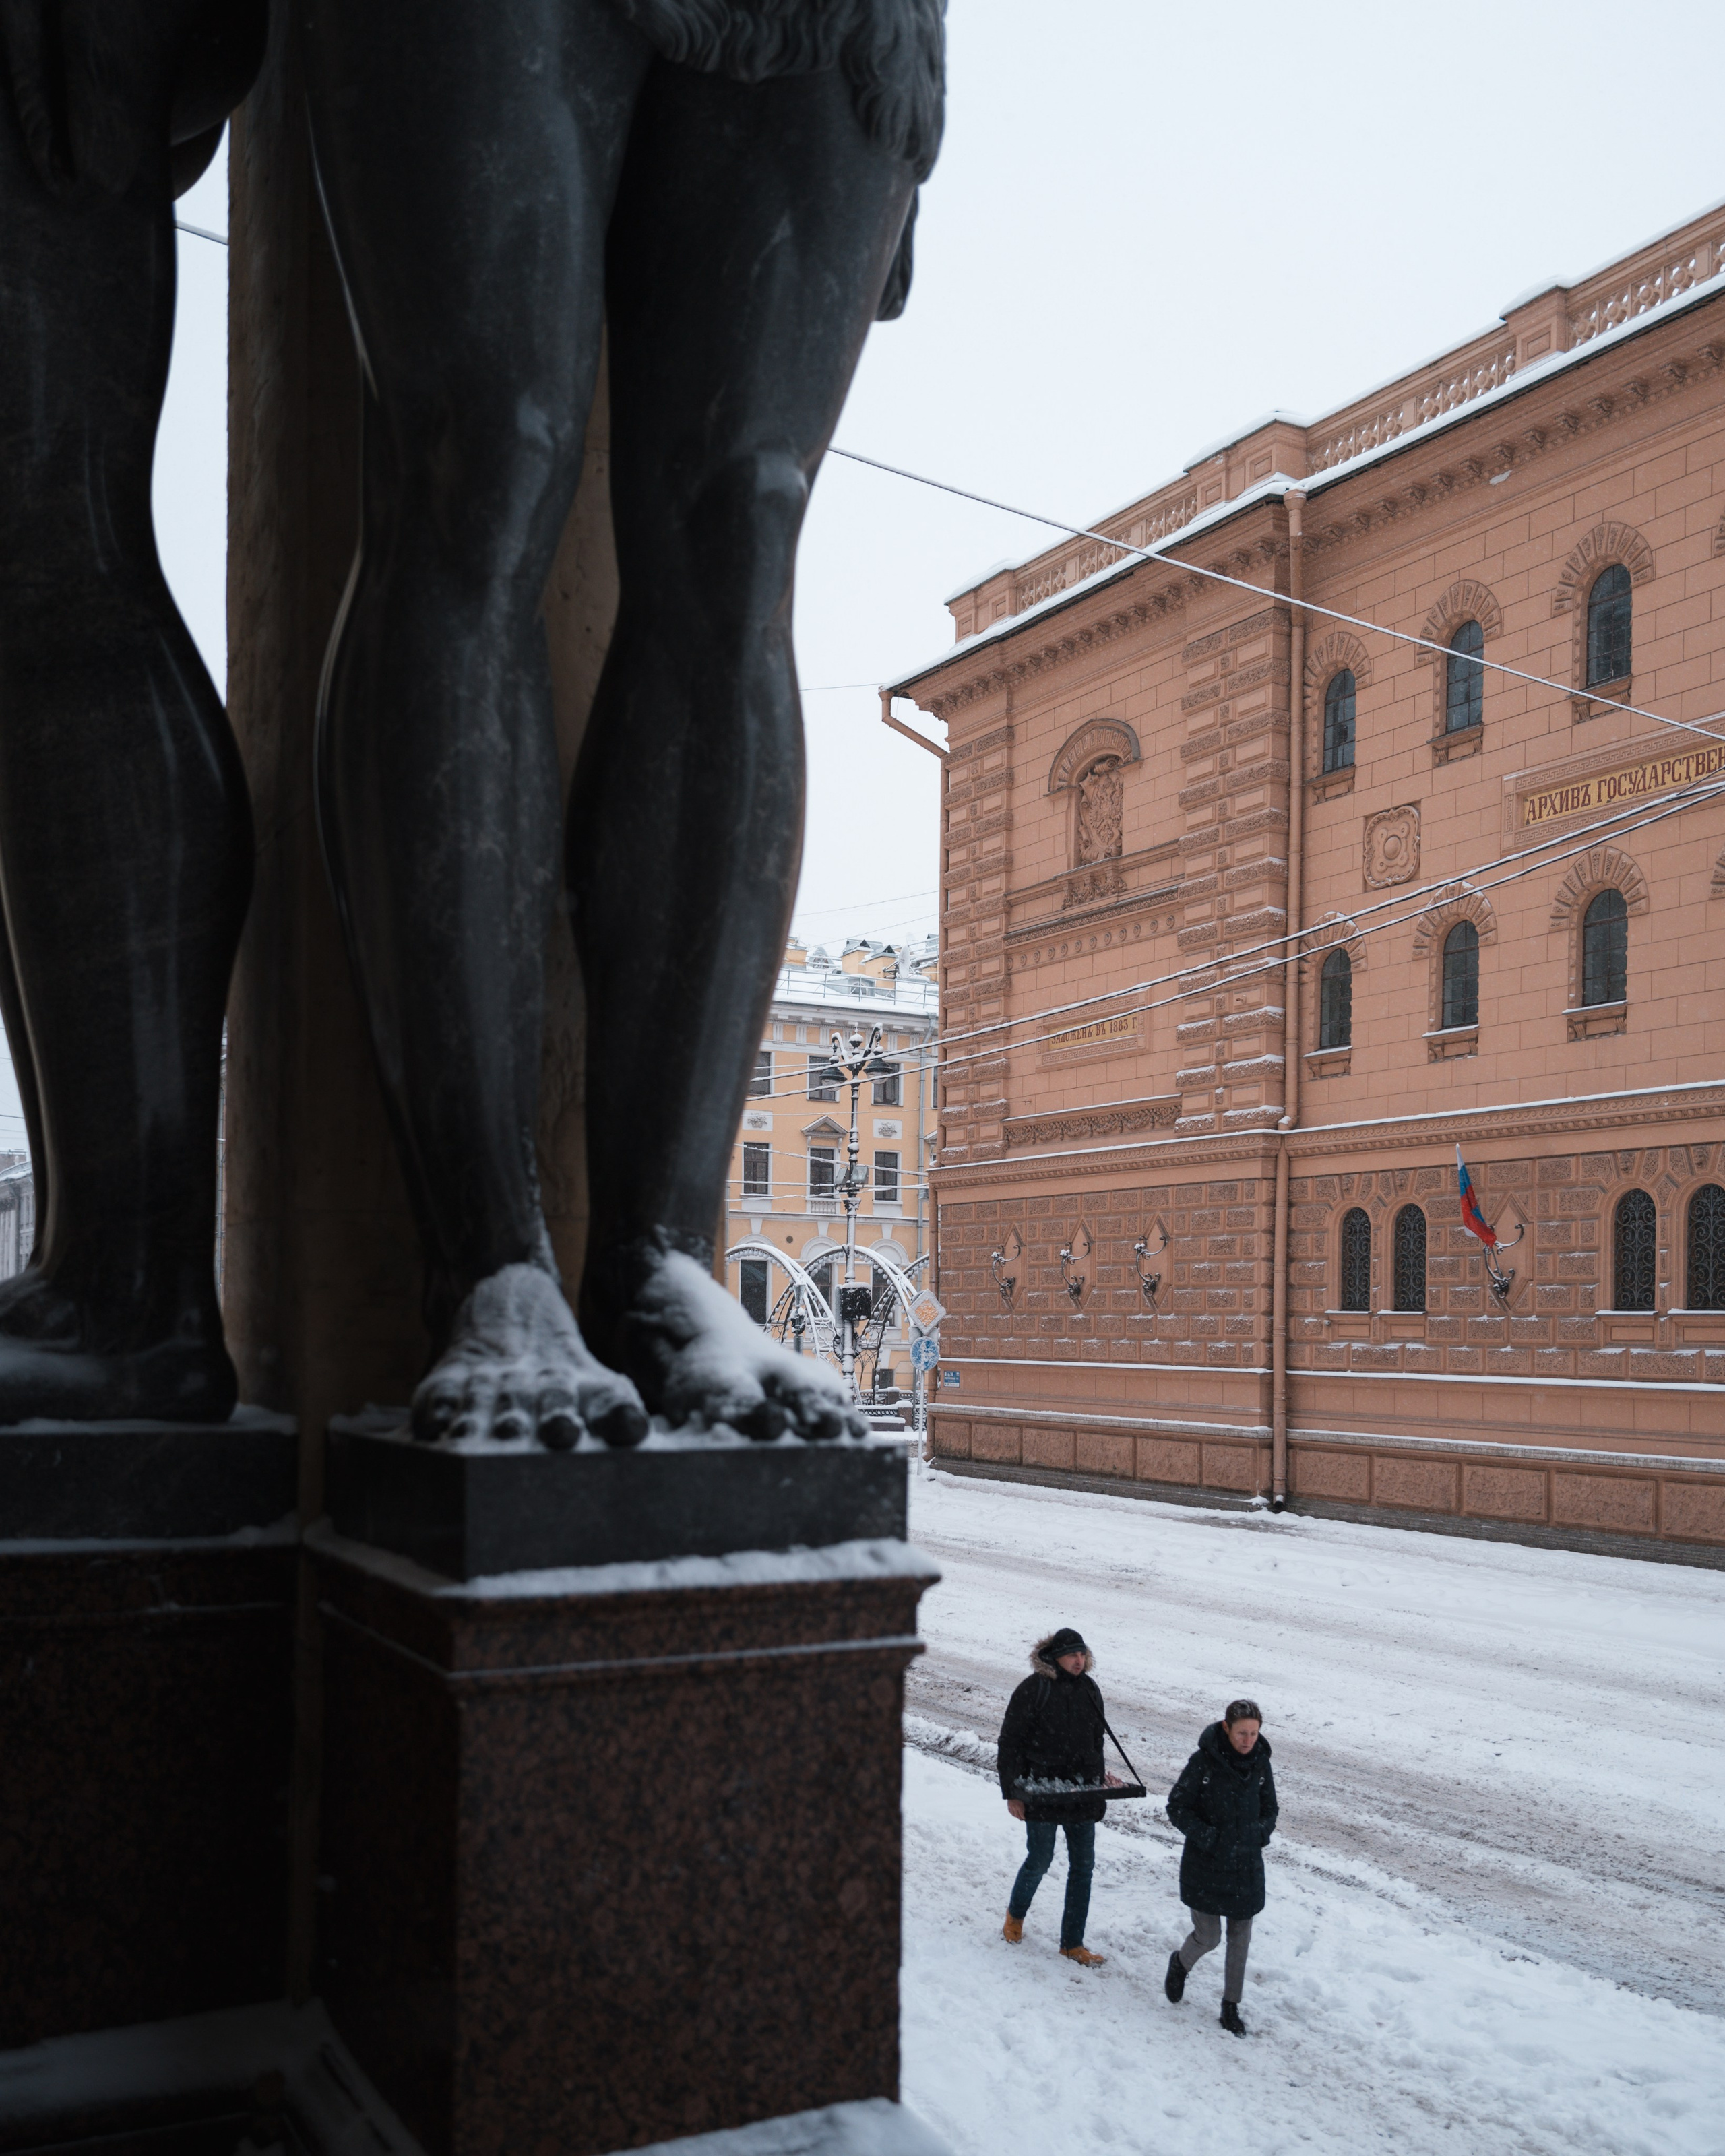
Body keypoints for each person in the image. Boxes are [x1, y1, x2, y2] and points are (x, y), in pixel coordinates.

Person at [995, 1626, 1121, 1967]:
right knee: (1040, 1860)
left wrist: (1100, 1778)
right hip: (1041, 1792)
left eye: (1082, 1655)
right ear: (1055, 1657)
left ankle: (1072, 1944)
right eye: (1072, 1655)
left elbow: (1097, 1741)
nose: (1079, 1661)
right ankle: (1015, 1917)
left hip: (1082, 1792)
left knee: (1083, 1867)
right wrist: (1012, 1793)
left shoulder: (1090, 1689)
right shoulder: (1033, 1689)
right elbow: (1009, 1743)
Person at [1164, 1699, 1277, 2036]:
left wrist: (1258, 1833)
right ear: (1226, 1728)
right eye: (1242, 1732)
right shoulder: (1204, 1763)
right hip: (1206, 1863)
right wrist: (1209, 1838)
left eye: (1254, 1733)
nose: (1248, 1740)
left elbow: (1270, 1808)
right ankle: (1180, 1963)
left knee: (1240, 1939)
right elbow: (1177, 1806)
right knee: (1209, 1936)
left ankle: (1231, 2006)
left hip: (1246, 1864)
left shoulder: (1260, 1764)